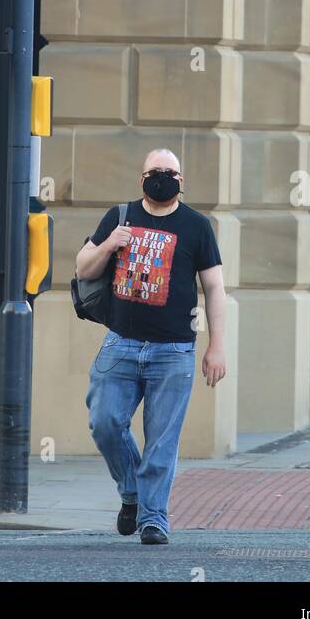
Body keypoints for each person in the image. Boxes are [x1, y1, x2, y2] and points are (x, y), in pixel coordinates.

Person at [75, 149, 227, 544]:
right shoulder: (120, 216)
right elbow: (82, 268)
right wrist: (110, 244)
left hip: (174, 352)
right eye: (154, 172)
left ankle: (153, 518)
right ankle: (132, 493)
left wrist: (217, 346)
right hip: (120, 346)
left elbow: (214, 288)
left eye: (170, 172)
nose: (162, 177)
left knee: (162, 440)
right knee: (104, 422)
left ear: (182, 180)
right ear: (141, 178)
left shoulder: (197, 226)